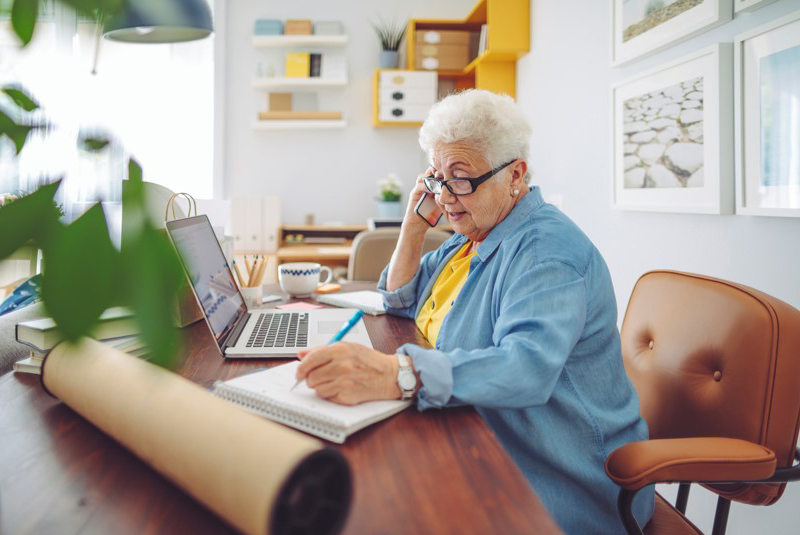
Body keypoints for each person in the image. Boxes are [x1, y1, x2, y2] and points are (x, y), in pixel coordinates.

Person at [295, 90, 654, 533]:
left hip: (556, 476)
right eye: (436, 177)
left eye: (460, 178)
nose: (445, 196)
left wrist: (397, 375)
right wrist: (412, 223)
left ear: (515, 175)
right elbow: (399, 297)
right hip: (479, 434)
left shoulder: (547, 254)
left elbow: (526, 367)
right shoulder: (474, 233)